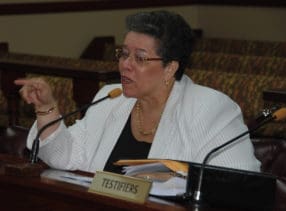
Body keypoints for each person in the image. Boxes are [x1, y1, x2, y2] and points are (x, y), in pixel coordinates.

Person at [15, 10, 260, 174]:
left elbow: (239, 184)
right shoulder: (110, 98)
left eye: (140, 58)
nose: (125, 64)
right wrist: (45, 107)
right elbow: (65, 157)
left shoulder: (210, 109)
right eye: (123, 54)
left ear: (170, 68)